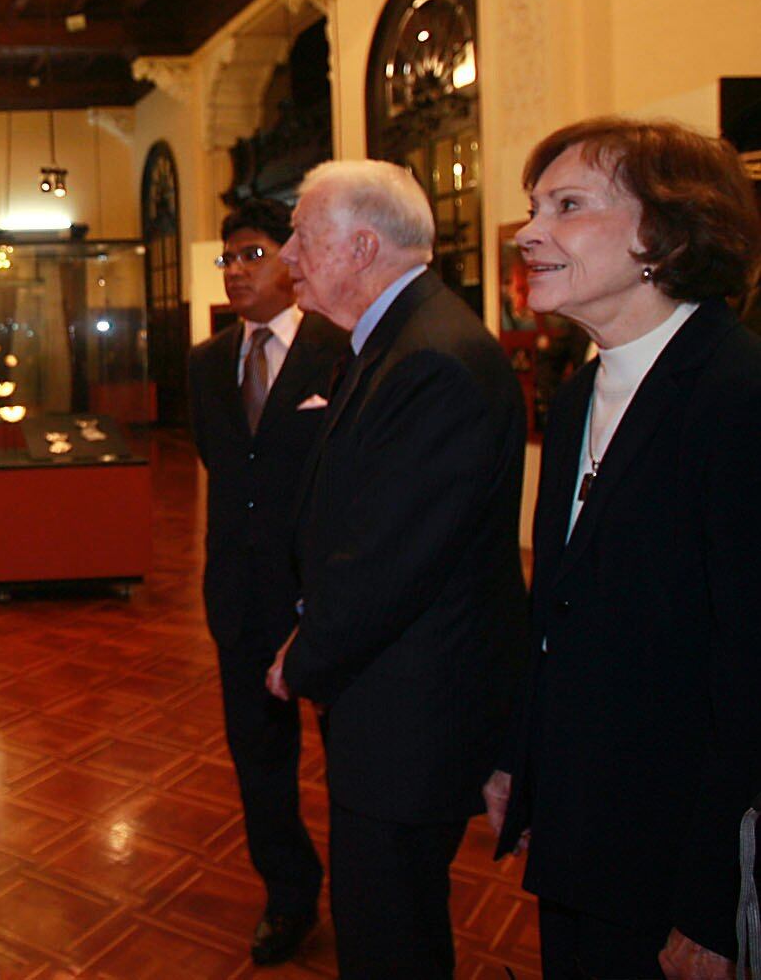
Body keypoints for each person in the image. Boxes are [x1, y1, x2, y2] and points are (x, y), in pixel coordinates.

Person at [485, 118, 761, 979]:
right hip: (584, 831)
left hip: (678, 855)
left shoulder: (736, 397)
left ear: (664, 236)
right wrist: (523, 770)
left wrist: (711, 903)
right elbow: (558, 614)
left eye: (568, 206)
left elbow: (751, 669)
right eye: (535, 206)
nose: (530, 231)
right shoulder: (576, 399)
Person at [267, 159, 527, 976]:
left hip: (413, 710)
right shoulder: (397, 339)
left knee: (389, 935)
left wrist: (303, 656)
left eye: (303, 236)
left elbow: (391, 558)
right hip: (393, 700)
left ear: (363, 245)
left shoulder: (431, 359)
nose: (287, 257)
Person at [186, 198, 349, 965]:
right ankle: (288, 892)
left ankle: (365, 889)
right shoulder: (207, 363)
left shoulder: (341, 349)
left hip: (331, 593)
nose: (236, 271)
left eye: (251, 253)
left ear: (290, 258)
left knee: (352, 751)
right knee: (259, 758)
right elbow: (224, 465)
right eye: (227, 258)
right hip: (241, 597)